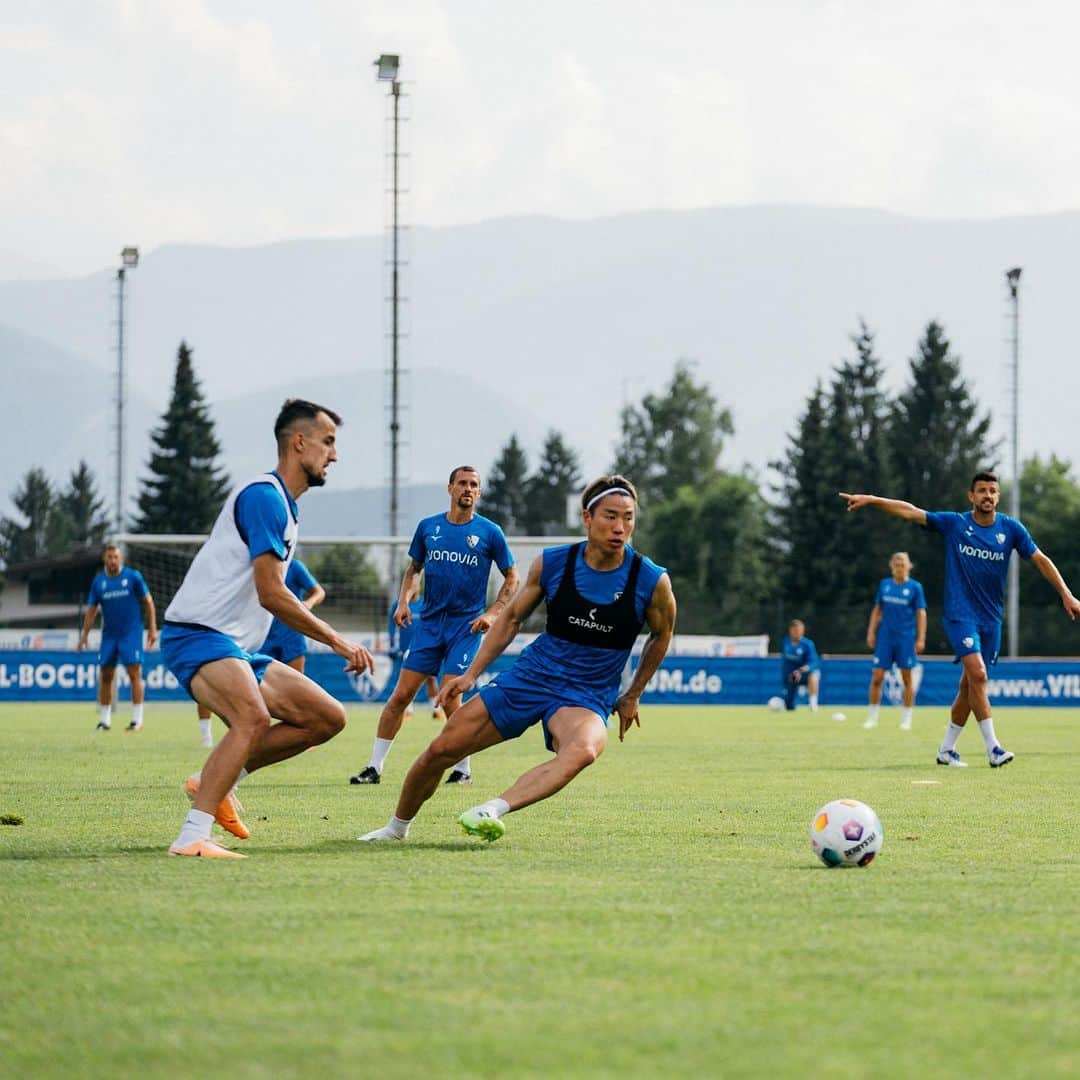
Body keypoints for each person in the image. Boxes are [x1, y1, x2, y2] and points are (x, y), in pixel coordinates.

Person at [357, 474, 677, 845]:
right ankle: (396, 828)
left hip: (586, 694)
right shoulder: (554, 563)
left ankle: (493, 808)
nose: (620, 527)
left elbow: (662, 634)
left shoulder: (651, 579)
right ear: (587, 518)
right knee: (442, 749)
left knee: (584, 750)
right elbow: (511, 618)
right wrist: (470, 675)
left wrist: (633, 693)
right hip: (531, 677)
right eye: (609, 516)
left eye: (628, 517)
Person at [160, 399, 374, 858]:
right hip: (196, 633)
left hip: (233, 645)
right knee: (252, 719)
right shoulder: (264, 497)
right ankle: (191, 836)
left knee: (326, 718)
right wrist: (336, 640)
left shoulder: (285, 506)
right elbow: (271, 593)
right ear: (300, 443)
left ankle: (217, 778)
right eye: (328, 442)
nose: (334, 455)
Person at [840, 471, 1080, 767]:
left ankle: (946, 750)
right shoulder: (955, 523)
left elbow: (1041, 560)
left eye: (992, 491)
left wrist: (1067, 595)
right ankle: (993, 748)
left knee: (969, 687)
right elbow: (911, 511)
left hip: (991, 620)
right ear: (971, 496)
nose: (987, 496)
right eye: (981, 491)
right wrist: (873, 500)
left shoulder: (1011, 529)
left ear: (998, 496)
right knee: (978, 675)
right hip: (959, 615)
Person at [349, 465, 518, 787]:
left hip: (465, 628)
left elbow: (513, 576)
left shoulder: (489, 532)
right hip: (428, 625)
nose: (468, 489)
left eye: (474, 485)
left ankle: (463, 768)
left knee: (451, 696)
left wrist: (494, 613)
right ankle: (374, 768)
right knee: (400, 697)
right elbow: (414, 569)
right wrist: (402, 602)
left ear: (479, 493)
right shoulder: (429, 528)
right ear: (450, 488)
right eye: (463, 483)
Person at [193, 559, 325, 748]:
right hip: (261, 635)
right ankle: (215, 736)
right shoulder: (252, 566)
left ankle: (298, 737)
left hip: (291, 634)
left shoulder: (294, 566)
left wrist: (309, 603)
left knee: (297, 686)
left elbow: (319, 591)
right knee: (247, 688)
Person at [76, 544, 158, 732]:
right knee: (106, 675)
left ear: (120, 558)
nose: (113, 560)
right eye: (109, 557)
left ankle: (137, 720)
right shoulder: (99, 582)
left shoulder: (133, 577)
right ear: (104, 558)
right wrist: (84, 636)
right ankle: (105, 721)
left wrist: (153, 628)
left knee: (134, 672)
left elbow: (148, 602)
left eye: (116, 557)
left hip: (131, 634)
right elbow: (91, 611)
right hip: (109, 635)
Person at [863, 552, 926, 731]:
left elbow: (921, 613)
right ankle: (872, 718)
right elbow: (877, 610)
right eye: (896, 564)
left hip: (905, 639)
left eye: (903, 564)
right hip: (885, 638)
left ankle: (907, 719)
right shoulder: (885, 585)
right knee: (877, 677)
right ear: (892, 566)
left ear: (908, 566)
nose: (899, 567)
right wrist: (871, 632)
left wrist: (921, 638)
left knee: (906, 678)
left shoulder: (915, 588)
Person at [390, 586, 445, 724]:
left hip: (424, 646)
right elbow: (392, 627)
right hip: (405, 649)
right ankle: (408, 711)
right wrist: (393, 645)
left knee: (431, 678)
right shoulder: (398, 605)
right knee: (406, 680)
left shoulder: (425, 603)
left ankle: (436, 710)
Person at [780, 619, 820, 712]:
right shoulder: (785, 642)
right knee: (790, 707)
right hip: (791, 677)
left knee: (814, 675)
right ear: (790, 630)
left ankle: (813, 703)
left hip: (803, 674)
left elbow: (814, 662)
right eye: (795, 630)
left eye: (799, 630)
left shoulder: (808, 644)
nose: (797, 632)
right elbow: (785, 663)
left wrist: (805, 668)